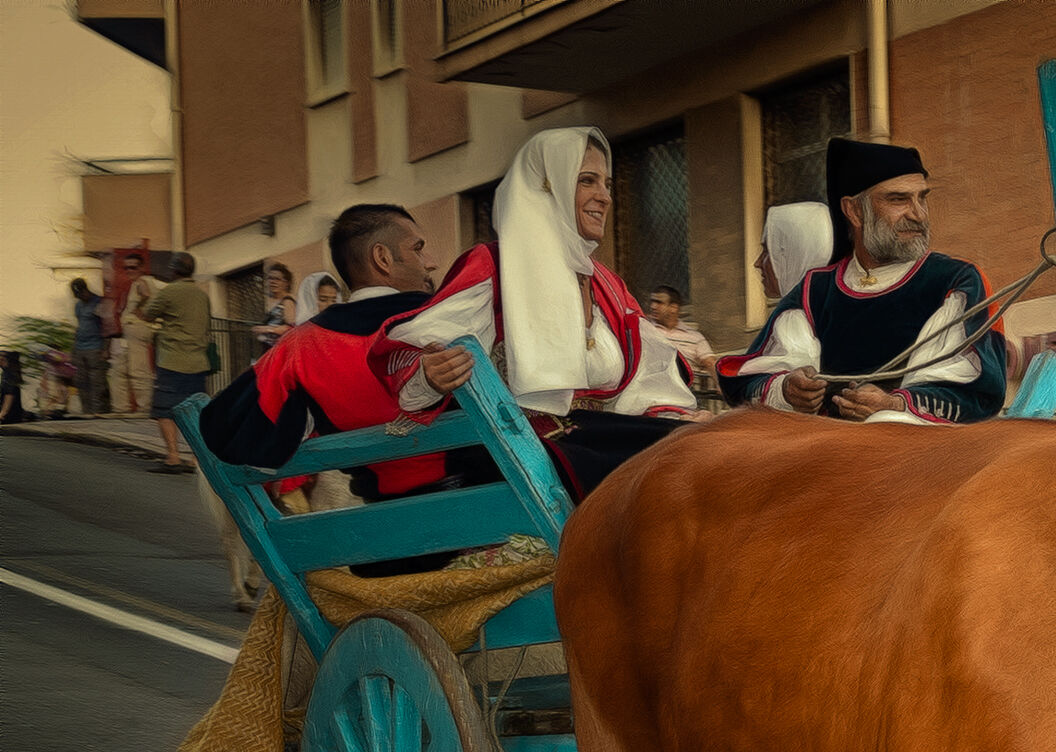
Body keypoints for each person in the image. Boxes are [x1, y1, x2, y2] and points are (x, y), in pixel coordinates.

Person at [378, 127, 697, 497]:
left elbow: (649, 382)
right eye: (587, 181)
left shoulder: (609, 286)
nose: (605, 197)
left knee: (698, 444)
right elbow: (412, 350)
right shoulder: (497, 268)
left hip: (599, 443)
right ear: (548, 186)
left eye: (607, 184)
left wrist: (676, 421)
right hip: (518, 458)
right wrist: (429, 372)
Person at [200, 204, 470, 513]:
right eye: (418, 249)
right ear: (382, 258)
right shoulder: (450, 317)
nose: (431, 263)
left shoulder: (299, 346)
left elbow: (222, 430)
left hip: (379, 534)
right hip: (491, 519)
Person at [720, 139, 1005, 423]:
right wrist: (788, 389)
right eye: (898, 200)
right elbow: (749, 381)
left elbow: (975, 392)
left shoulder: (956, 281)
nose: (918, 215)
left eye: (922, 198)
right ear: (854, 211)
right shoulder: (815, 291)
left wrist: (894, 405)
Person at [133, 253, 212, 472]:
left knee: (164, 411)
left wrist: (143, 297)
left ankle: (173, 456)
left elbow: (147, 314)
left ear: (174, 270)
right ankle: (197, 459)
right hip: (197, 362)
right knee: (195, 412)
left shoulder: (170, 292)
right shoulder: (202, 295)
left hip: (172, 361)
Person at [118, 258, 162, 415]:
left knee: (138, 369)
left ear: (141, 267)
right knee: (124, 369)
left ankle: (144, 407)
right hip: (136, 329)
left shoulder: (141, 281)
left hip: (136, 327)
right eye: (126, 267)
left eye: (133, 267)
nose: (129, 270)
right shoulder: (147, 281)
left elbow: (146, 294)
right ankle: (124, 407)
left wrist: (137, 309)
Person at [69, 279, 111, 415]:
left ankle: (98, 413)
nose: (80, 297)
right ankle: (86, 412)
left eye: (80, 294)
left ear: (85, 290)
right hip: (80, 348)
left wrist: (106, 348)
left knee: (97, 383)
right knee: (81, 382)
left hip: (95, 347)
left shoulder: (99, 302)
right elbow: (79, 326)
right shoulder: (78, 306)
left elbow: (107, 326)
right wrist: (73, 349)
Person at [253, 263, 298, 349]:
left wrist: (267, 329)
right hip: (270, 351)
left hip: (280, 352)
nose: (272, 282)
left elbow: (292, 328)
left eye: (277, 279)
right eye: (270, 278)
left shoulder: (288, 301)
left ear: (286, 283)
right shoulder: (275, 302)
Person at [0, 350, 25, 425]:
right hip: (14, 414)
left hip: (10, 417)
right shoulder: (8, 372)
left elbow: (9, 395)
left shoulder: (9, 375)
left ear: (2, 359)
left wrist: (2, 414)